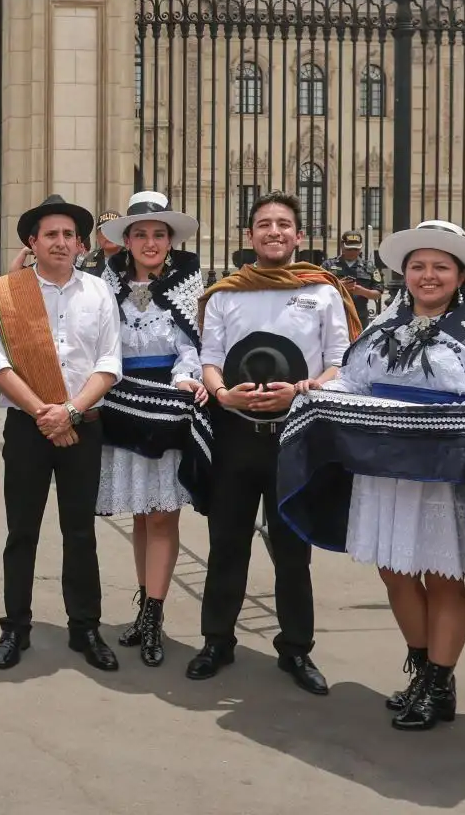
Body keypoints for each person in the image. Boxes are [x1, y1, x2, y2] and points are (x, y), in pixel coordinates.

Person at [278, 220, 465, 732]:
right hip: (385, 467)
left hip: (444, 470)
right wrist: (315, 392)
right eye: (418, 267)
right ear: (405, 274)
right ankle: (422, 670)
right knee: (396, 571)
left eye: (440, 267)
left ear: (460, 275)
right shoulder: (385, 322)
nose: (428, 276)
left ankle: (440, 683)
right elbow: (356, 381)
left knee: (443, 577)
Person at [189, 191, 357, 694]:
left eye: (284, 224)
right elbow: (210, 356)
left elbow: (341, 362)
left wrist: (306, 388)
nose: (274, 232)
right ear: (250, 236)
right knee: (227, 545)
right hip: (237, 435)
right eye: (264, 224)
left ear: (299, 236)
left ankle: (296, 649)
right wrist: (222, 393)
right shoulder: (225, 295)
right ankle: (217, 640)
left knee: (292, 550)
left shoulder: (323, 291)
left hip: (295, 436)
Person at [0, 194, 123, 672]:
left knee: (80, 531)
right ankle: (15, 627)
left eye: (69, 234)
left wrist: (69, 411)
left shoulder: (98, 292)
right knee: (22, 531)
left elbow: (109, 362)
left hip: (82, 424)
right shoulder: (7, 292)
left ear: (80, 242)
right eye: (51, 234)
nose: (61, 242)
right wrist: (44, 411)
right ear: (32, 241)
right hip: (27, 427)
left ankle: (85, 626)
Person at [93, 193, 206, 667]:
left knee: (162, 513)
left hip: (166, 403)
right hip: (121, 401)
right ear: (127, 241)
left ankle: (155, 614)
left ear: (170, 240)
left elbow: (197, 343)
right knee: (141, 514)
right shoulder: (107, 284)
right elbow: (97, 340)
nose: (150, 242)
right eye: (141, 234)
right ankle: (145, 605)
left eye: (159, 234)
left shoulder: (188, 285)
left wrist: (186, 377)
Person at [327, 231, 384, 325]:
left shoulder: (369, 267)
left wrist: (363, 291)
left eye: (356, 249)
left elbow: (378, 293)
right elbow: (319, 289)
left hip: (360, 318)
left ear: (360, 248)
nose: (353, 252)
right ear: (342, 246)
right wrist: (338, 286)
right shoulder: (328, 265)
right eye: (349, 249)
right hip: (333, 317)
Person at [77, 212, 122, 276]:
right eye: (104, 230)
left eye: (113, 230)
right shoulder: (87, 260)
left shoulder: (132, 259)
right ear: (97, 236)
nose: (108, 234)